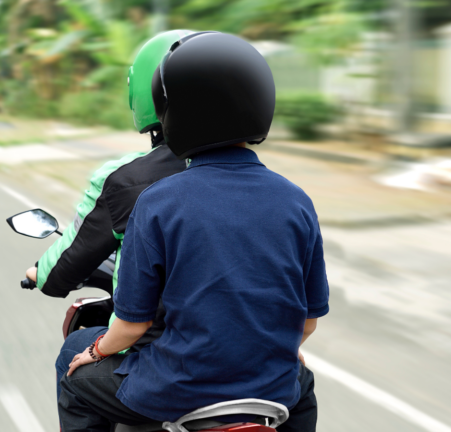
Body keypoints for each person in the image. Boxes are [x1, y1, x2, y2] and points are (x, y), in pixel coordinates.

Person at [56, 32, 329, 432]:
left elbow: (131, 326)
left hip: (176, 389)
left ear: (175, 112)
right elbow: (307, 322)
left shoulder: (158, 201)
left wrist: (95, 351)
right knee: (302, 390)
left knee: (73, 363)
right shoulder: (297, 201)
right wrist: (279, 356)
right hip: (268, 389)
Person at [24, 30, 191, 300]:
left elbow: (61, 272)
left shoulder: (124, 181)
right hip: (268, 340)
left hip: (156, 339)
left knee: (79, 342)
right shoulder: (279, 191)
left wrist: (40, 273)